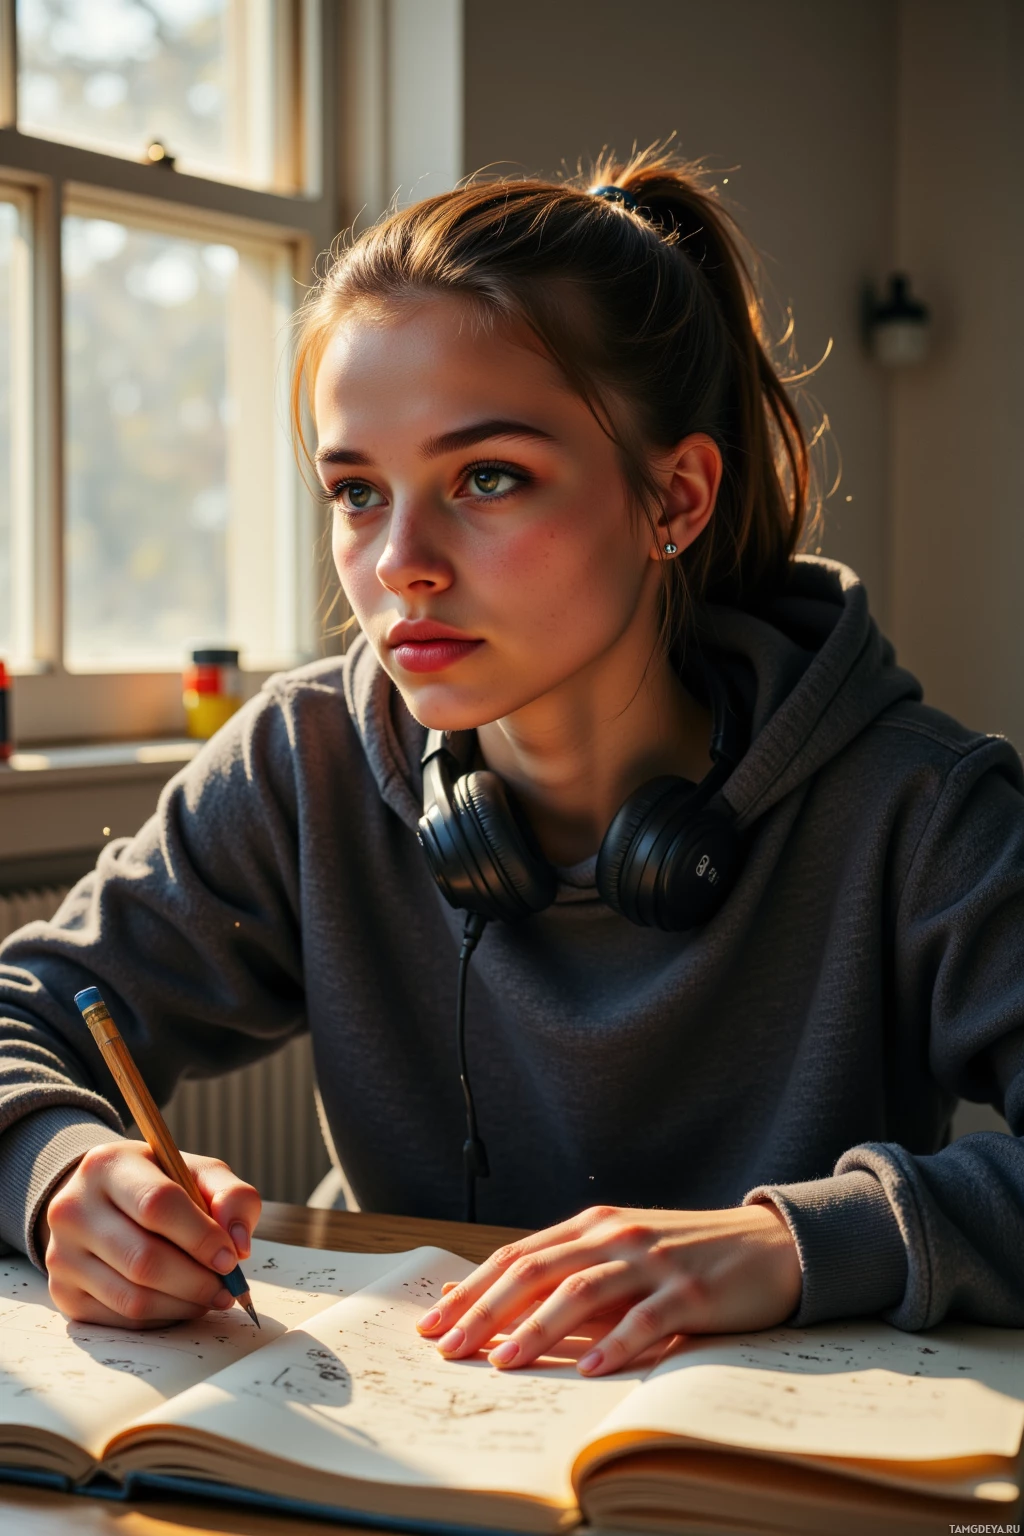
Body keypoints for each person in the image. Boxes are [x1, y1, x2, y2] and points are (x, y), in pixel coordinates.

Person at [1, 146, 1022, 1383]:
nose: (401, 564)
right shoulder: (303, 758)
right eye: (358, 492)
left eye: (488, 477)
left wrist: (788, 1246)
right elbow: (27, 1017)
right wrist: (63, 1173)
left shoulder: (922, 805)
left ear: (675, 499)